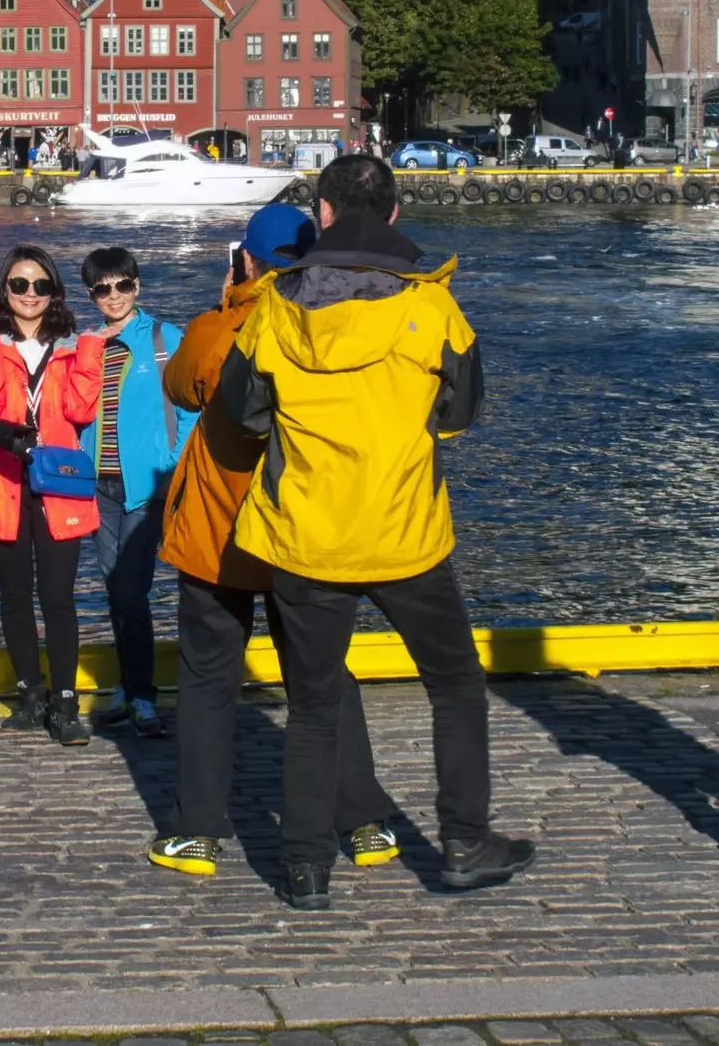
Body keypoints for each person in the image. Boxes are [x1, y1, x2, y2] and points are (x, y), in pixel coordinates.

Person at [218, 154, 535, 911]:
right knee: (455, 684)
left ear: (321, 214)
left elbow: (242, 413)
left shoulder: (274, 309)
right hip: (404, 532)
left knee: (314, 703)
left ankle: (304, 868)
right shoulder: (433, 311)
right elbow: (459, 415)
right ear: (393, 215)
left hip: (305, 532)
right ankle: (463, 840)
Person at [146, 203, 401, 881]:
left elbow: (182, 385)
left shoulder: (225, 324)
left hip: (221, 532)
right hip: (308, 526)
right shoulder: (342, 324)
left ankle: (198, 832)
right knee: (324, 677)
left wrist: (227, 301)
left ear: (247, 261)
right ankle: (366, 822)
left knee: (206, 679)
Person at [0, 246, 111, 745]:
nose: (29, 294)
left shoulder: (72, 345)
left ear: (54, 292)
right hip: (2, 479)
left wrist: (89, 350)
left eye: (40, 285)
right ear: (5, 290)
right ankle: (30, 693)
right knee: (15, 596)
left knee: (59, 598)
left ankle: (65, 702)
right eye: (19, 285)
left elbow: (81, 409)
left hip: (59, 481)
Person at [79, 247, 197, 738]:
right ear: (92, 295)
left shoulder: (166, 339)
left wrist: (168, 461)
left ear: (137, 287)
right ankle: (130, 690)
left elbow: (193, 408)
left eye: (122, 285)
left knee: (130, 587)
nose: (113, 296)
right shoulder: (85, 344)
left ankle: (142, 694)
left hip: (143, 486)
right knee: (118, 591)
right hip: (94, 484)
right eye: (103, 288)